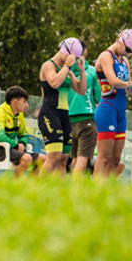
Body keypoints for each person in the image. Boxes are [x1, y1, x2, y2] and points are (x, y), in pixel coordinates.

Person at [93, 29, 132, 177]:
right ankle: (95, 192)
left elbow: (127, 84)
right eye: (127, 49)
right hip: (107, 109)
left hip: (121, 112)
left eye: (131, 52)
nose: (128, 54)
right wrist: (128, 85)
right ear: (120, 40)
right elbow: (113, 81)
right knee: (104, 157)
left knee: (116, 159)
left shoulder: (124, 60)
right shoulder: (105, 56)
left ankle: (109, 193)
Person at [37, 38, 86, 174]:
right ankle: (35, 191)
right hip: (50, 113)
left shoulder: (67, 70)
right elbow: (54, 83)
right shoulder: (49, 65)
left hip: (65, 115)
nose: (72, 60)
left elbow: (81, 90)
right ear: (65, 52)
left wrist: (81, 72)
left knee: (64, 159)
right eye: (72, 57)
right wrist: (66, 66)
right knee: (54, 156)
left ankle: (59, 193)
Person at [0, 86, 46, 177]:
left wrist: (22, 144)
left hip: (10, 149)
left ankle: (29, 187)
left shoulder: (19, 114)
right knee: (27, 158)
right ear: (15, 102)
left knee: (43, 159)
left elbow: (23, 134)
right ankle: (16, 188)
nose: (27, 105)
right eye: (24, 102)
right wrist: (16, 146)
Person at [68, 40, 101, 176]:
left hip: (69, 119)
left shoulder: (65, 71)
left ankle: (67, 187)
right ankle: (75, 191)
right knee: (82, 159)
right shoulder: (92, 72)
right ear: (85, 53)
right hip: (87, 118)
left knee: (74, 159)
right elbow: (98, 97)